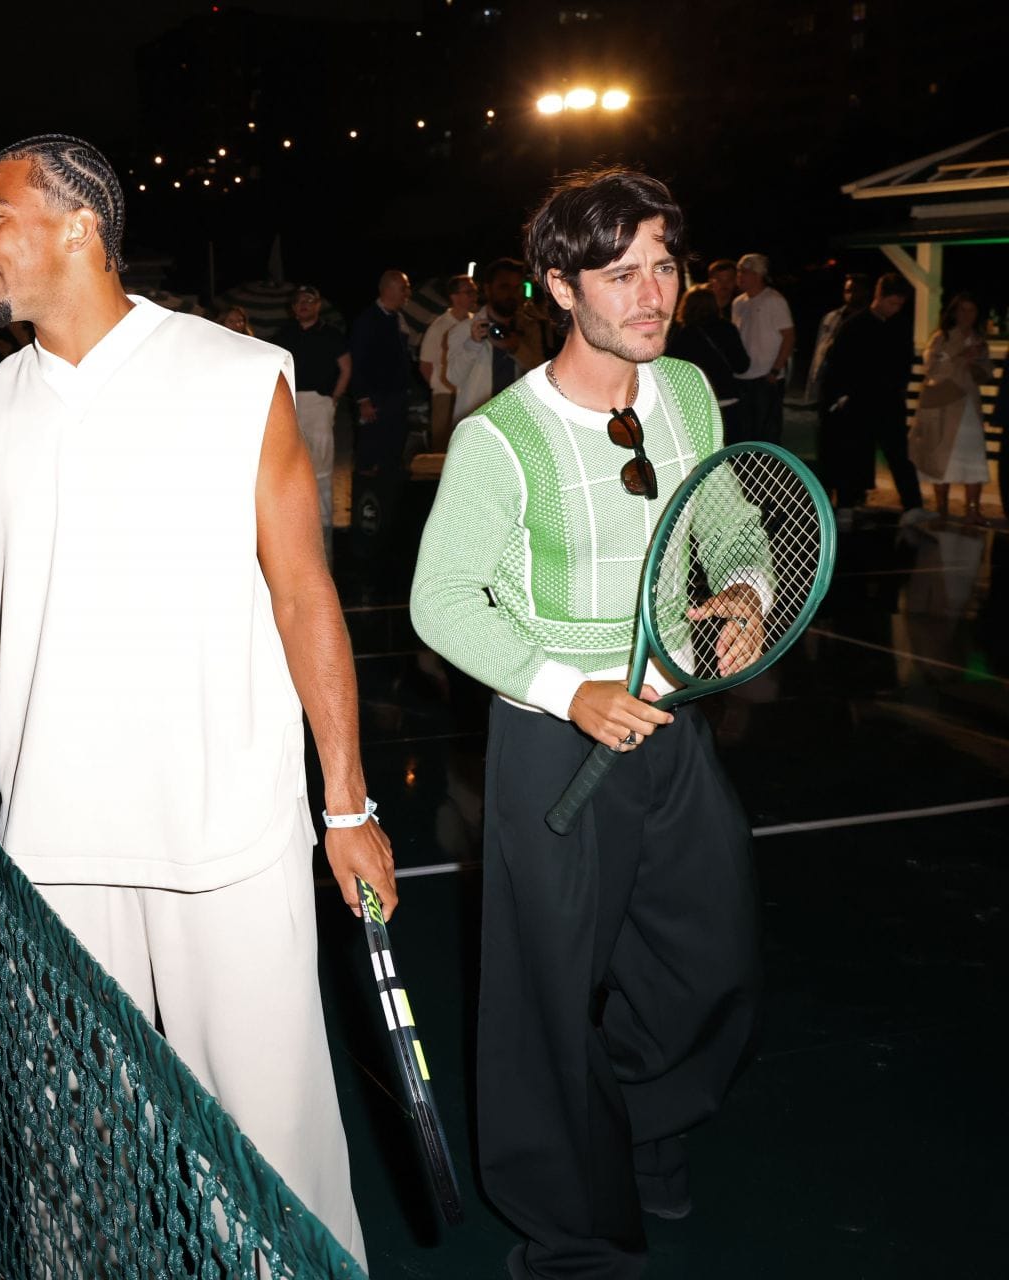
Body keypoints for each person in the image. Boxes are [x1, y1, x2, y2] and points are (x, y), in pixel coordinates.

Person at [0, 132, 392, 1268]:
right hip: (58, 836)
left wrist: (348, 800)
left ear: (80, 226)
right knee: (74, 1139)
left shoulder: (233, 374)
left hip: (229, 821)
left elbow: (305, 593)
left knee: (275, 1140)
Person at [411, 166, 765, 1280]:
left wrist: (747, 591)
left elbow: (733, 521)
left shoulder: (691, 393)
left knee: (711, 960)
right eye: (623, 273)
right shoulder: (503, 438)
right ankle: (571, 1234)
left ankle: (646, 1127)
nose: (655, 292)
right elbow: (440, 599)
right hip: (552, 743)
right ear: (561, 288)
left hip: (671, 727)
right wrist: (568, 688)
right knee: (547, 1001)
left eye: (665, 264)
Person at [820, 273, 926, 522]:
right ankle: (846, 503)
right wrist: (841, 397)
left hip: (889, 401)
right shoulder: (854, 325)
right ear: (879, 297)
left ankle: (913, 506)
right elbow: (837, 364)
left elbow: (905, 361)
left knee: (898, 454)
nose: (895, 309)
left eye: (900, 304)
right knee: (853, 452)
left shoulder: (900, 324)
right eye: (892, 303)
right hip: (859, 402)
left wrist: (898, 387)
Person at [273, 284, 351, 547]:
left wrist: (333, 399)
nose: (304, 305)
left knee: (322, 466)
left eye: (309, 300)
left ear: (317, 305)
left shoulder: (330, 334)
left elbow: (346, 368)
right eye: (299, 301)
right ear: (293, 307)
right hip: (292, 404)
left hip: (320, 402)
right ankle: (295, 524)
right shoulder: (284, 334)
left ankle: (324, 525)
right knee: (290, 461)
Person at [909, 292, 993, 520]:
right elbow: (932, 369)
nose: (967, 315)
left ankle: (973, 509)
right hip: (944, 407)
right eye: (962, 309)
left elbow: (984, 374)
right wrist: (960, 356)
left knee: (974, 456)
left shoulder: (979, 339)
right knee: (942, 458)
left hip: (969, 408)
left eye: (972, 310)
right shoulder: (941, 337)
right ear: (954, 312)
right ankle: (942, 508)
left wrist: (975, 364)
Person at [445, 257, 543, 423]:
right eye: (504, 287)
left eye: (516, 287)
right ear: (488, 289)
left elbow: (540, 374)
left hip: (516, 423)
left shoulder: (529, 328)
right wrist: (473, 344)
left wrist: (515, 348)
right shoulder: (465, 329)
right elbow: (453, 377)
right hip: (476, 425)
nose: (511, 294)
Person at [349, 268, 415, 488]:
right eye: (404, 288)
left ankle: (388, 506)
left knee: (393, 453)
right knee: (370, 452)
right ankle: (366, 509)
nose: (408, 293)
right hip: (376, 399)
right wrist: (363, 399)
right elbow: (356, 362)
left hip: (397, 398)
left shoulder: (398, 319)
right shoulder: (367, 320)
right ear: (388, 288)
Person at [666, 284, 750, 442]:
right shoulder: (727, 329)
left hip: (694, 403)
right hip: (726, 399)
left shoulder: (679, 334)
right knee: (732, 453)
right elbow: (742, 365)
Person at [729, 252, 795, 444]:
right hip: (742, 376)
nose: (739, 276)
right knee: (746, 430)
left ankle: (769, 471)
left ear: (758, 275)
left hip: (766, 377)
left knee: (767, 431)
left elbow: (789, 337)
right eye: (739, 271)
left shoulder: (774, 300)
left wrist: (776, 369)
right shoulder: (738, 302)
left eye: (745, 272)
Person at [419, 274, 478, 452]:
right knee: (442, 449)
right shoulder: (440, 326)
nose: (474, 296)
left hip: (471, 393)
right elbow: (425, 365)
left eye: (474, 292)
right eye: (468, 292)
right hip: (446, 394)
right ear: (454, 297)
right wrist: (441, 385)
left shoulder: (476, 322)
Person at [800, 272, 871, 407]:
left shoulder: (870, 320)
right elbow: (819, 352)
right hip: (830, 382)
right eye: (847, 290)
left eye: (855, 290)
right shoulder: (832, 318)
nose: (850, 294)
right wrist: (812, 389)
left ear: (865, 292)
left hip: (856, 385)